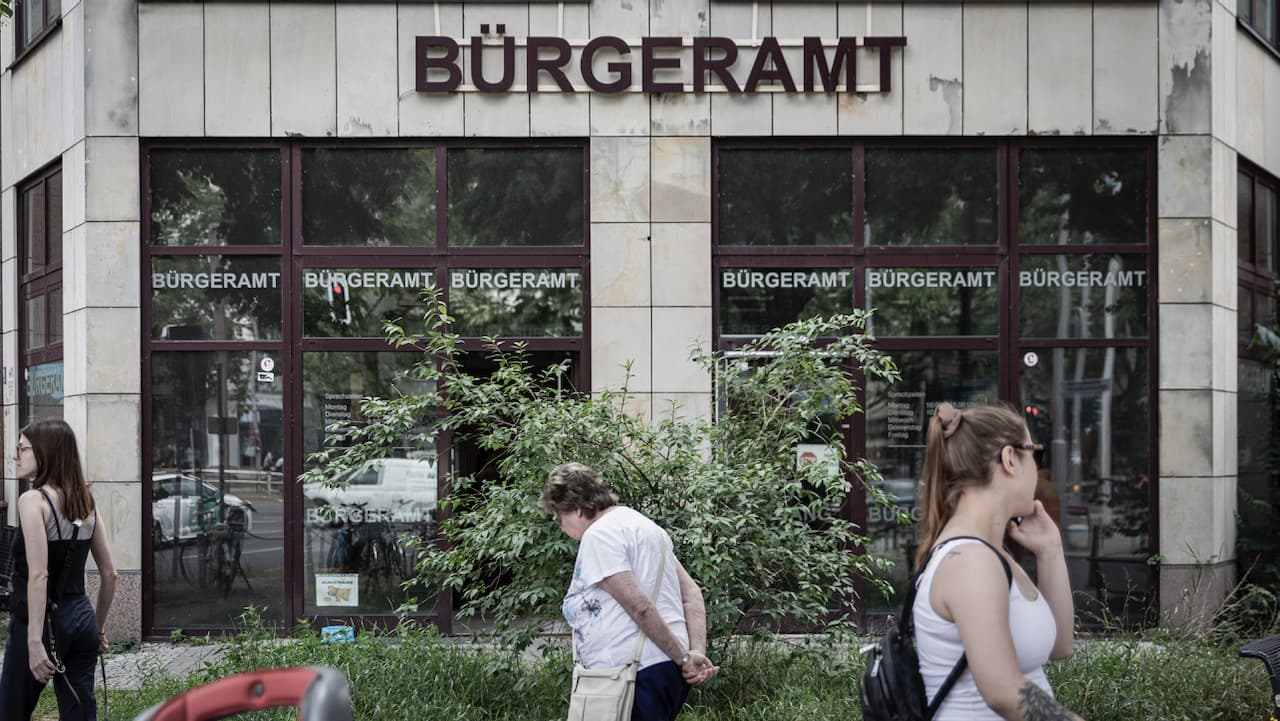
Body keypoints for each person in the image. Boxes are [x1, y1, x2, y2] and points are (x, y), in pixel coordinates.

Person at [913, 403, 1084, 721]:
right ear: (1009, 459)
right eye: (1035, 455)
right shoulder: (970, 561)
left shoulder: (991, 554)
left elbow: (1059, 646)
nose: (1038, 469)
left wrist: (1050, 551)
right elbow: (1004, 690)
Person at [540, 463, 719, 721]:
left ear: (576, 509)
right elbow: (691, 593)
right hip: (662, 670)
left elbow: (640, 607)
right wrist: (695, 653)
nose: (562, 528)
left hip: (632, 675)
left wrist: (683, 658)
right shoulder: (647, 528)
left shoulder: (599, 535)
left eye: (560, 518)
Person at [1, 420, 118, 721]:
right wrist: (99, 629)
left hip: (39, 622)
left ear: (44, 453)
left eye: (22, 448)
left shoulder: (32, 501)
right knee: (79, 712)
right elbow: (109, 574)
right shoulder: (86, 503)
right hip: (81, 621)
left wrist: (34, 642)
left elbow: (39, 575)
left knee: (12, 711)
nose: (16, 455)